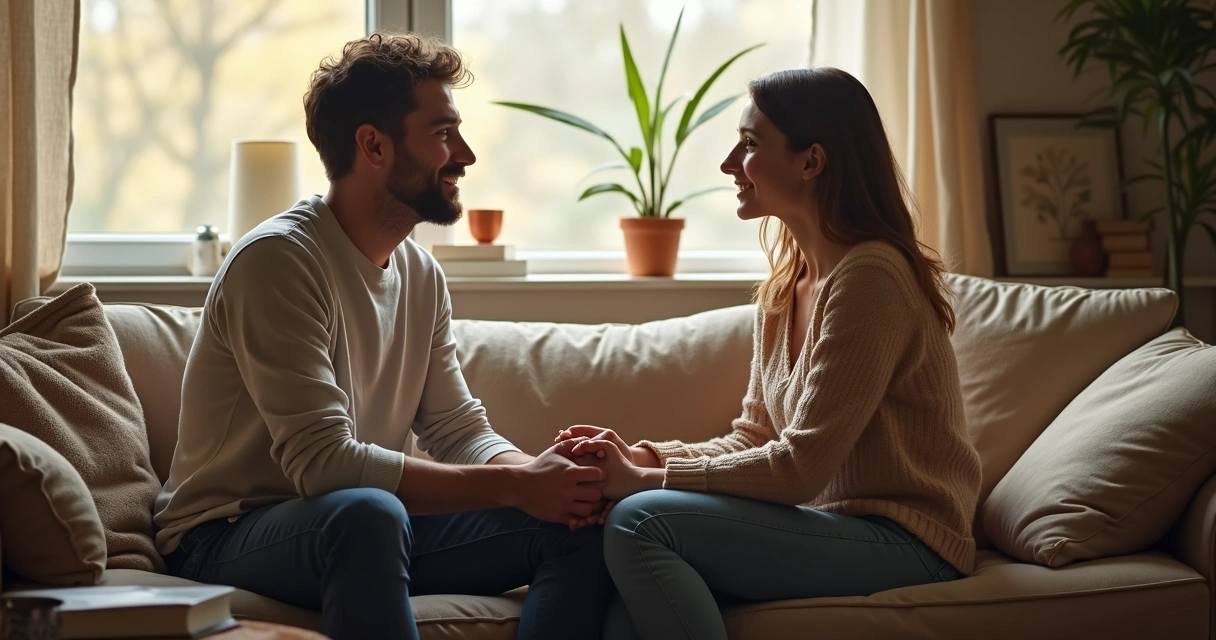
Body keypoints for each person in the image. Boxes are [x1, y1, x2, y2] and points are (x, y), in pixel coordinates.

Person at [153, 33, 611, 640]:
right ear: (373, 145)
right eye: (444, 132)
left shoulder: (420, 272)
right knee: (368, 515)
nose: (466, 155)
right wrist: (513, 486)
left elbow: (456, 429)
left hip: (361, 525)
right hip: (225, 537)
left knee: (583, 529)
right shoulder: (279, 260)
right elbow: (324, 465)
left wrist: (546, 481)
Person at [557, 67, 983, 640]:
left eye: (751, 145)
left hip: (908, 540)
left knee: (641, 520)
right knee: (617, 573)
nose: (731, 163)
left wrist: (638, 482)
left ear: (811, 162)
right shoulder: (787, 285)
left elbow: (799, 469)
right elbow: (755, 437)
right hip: (821, 526)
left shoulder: (871, 277)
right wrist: (643, 455)